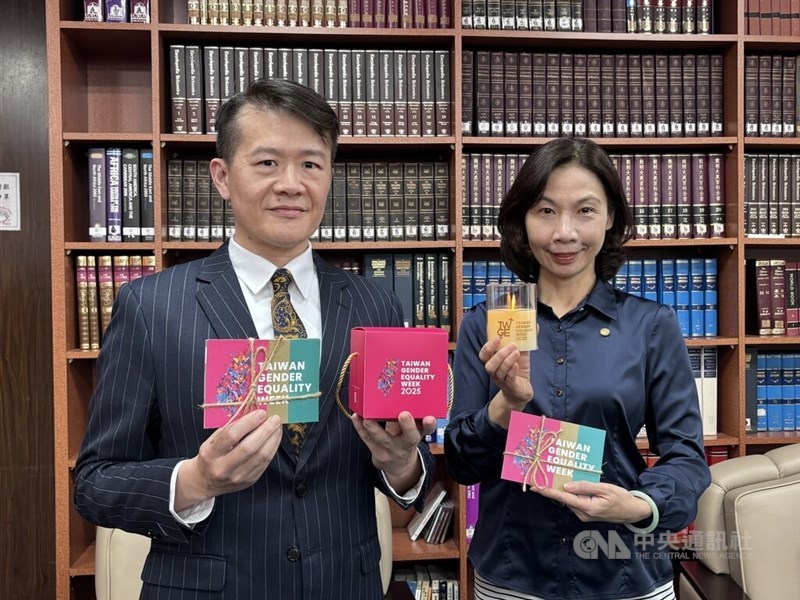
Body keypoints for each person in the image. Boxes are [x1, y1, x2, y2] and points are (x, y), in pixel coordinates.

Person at [74, 78, 436, 600]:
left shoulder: (375, 304)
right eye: (267, 163)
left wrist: (401, 464)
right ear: (222, 176)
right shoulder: (151, 307)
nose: (292, 183)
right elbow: (95, 482)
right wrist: (195, 480)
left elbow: (399, 472)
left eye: (311, 164)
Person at [444, 137, 711, 600]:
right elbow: (463, 463)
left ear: (610, 218)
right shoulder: (487, 324)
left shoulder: (650, 326)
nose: (564, 232)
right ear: (522, 221)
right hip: (513, 574)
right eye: (545, 211)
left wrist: (640, 504)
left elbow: (687, 455)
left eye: (585, 211)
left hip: (623, 571)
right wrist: (507, 404)